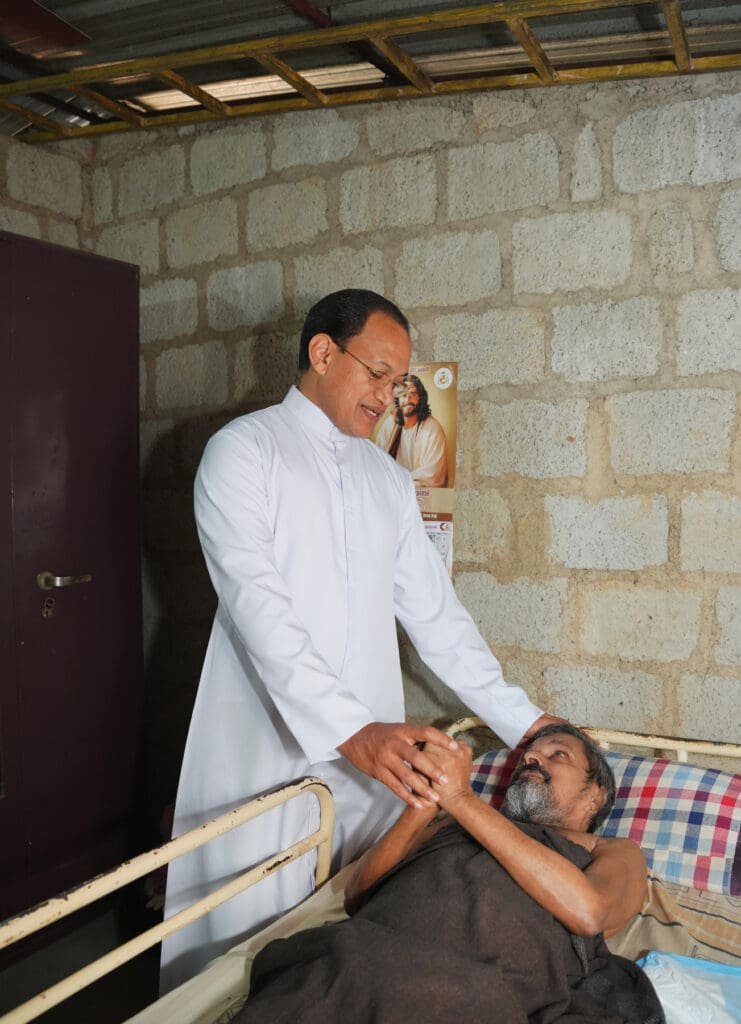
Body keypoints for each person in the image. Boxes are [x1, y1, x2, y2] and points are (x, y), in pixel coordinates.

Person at [160, 289, 559, 992]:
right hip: (265, 744)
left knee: (346, 935)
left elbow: (437, 616)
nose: (389, 394)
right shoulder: (243, 453)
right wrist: (351, 730)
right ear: (321, 353)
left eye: (398, 379)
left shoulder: (386, 479)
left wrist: (524, 722)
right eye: (377, 371)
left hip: (370, 758)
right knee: (234, 946)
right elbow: (259, 610)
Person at [237, 725, 663, 1024]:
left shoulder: (609, 850)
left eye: (558, 755)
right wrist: (426, 799)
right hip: (358, 957)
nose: (531, 758)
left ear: (595, 794)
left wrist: (460, 797)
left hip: (472, 988)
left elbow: (591, 912)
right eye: (529, 756)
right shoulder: (453, 824)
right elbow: (360, 898)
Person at [375, 373, 449, 487]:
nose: (408, 399)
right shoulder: (390, 425)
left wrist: (399, 482)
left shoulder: (433, 429)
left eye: (413, 394)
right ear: (397, 400)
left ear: (421, 398)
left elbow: (433, 477)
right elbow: (376, 461)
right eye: (403, 395)